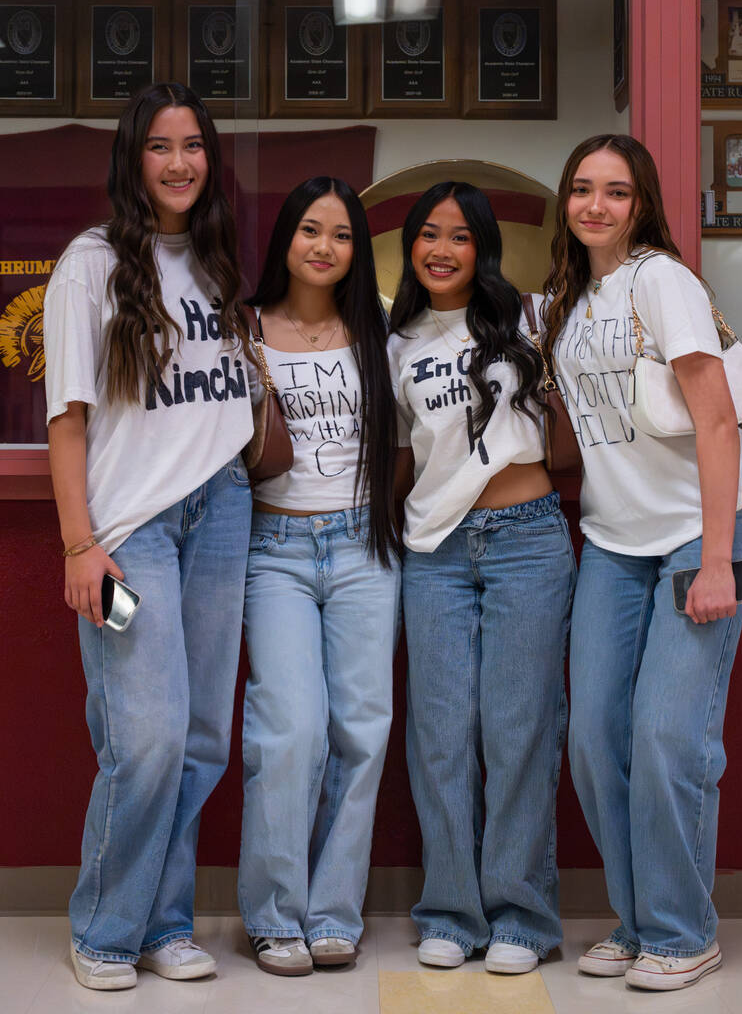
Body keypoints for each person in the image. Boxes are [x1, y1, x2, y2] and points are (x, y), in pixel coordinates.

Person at [44, 82, 254, 992]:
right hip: (135, 533)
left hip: (223, 510)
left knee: (205, 733)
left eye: (193, 145)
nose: (179, 163)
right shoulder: (89, 263)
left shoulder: (215, 260)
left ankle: (166, 921)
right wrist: (79, 544)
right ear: (134, 161)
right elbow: (68, 417)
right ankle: (103, 926)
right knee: (149, 734)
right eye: (160, 147)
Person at [540, 134, 742, 991]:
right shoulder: (570, 299)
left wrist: (715, 561)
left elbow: (715, 424)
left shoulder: (661, 280)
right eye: (583, 189)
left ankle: (682, 929)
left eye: (617, 192)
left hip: (699, 533)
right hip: (611, 540)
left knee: (668, 735)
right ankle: (638, 924)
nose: (597, 205)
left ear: (643, 205)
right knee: (596, 739)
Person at [388, 181, 576, 976]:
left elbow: (573, 432)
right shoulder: (393, 342)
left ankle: (522, 916)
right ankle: (451, 912)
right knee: (439, 735)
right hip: (433, 550)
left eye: (459, 237)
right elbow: (402, 460)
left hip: (528, 541)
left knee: (519, 729)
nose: (441, 249)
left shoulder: (532, 316)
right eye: (428, 235)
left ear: (484, 247)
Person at [238, 177, 400, 977]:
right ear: (286, 240)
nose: (324, 247)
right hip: (275, 551)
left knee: (362, 733)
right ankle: (274, 916)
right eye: (310, 230)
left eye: (341, 235)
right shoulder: (245, 331)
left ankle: (334, 912)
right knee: (290, 728)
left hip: (366, 548)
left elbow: (405, 449)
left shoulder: (378, 331)